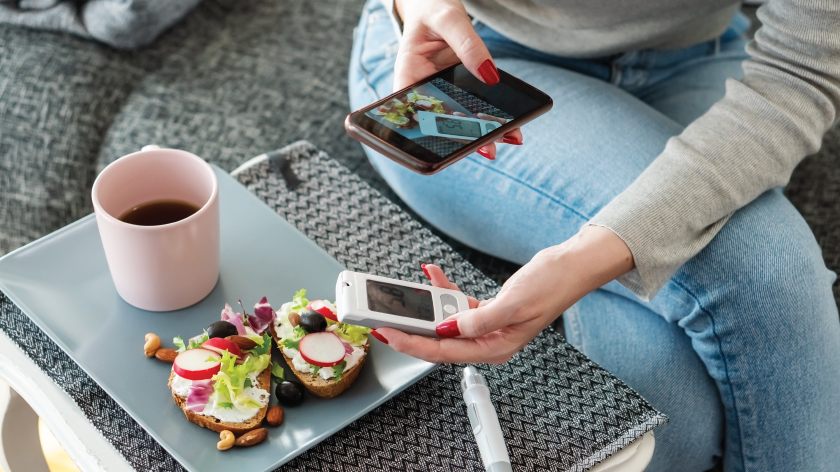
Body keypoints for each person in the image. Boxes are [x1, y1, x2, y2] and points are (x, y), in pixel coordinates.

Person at [348, 0, 840, 470]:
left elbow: (800, 74)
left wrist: (581, 264)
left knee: (673, 423)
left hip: (699, 53)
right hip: (475, 57)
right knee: (767, 272)